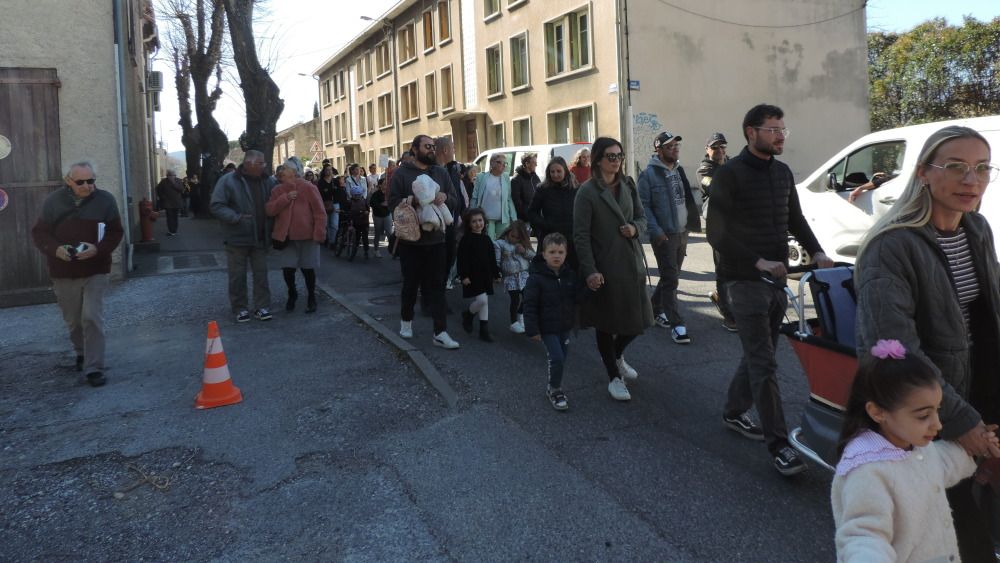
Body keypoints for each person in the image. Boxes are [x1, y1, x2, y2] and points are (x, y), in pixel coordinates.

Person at [854, 124, 1000, 561]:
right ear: (923, 173)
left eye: (981, 168)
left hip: (984, 392)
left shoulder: (976, 228)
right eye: (955, 167)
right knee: (953, 537)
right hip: (932, 416)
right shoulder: (892, 246)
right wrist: (962, 422)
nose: (971, 180)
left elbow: (989, 315)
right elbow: (893, 353)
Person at [707, 103, 833, 476]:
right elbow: (717, 233)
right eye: (773, 129)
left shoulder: (781, 173)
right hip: (743, 281)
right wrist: (756, 261)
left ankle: (733, 410)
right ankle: (779, 445)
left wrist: (819, 251)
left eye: (782, 129)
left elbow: (794, 218)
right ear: (751, 132)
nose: (780, 135)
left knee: (759, 353)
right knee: (764, 361)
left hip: (777, 281)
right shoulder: (729, 175)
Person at [831, 339, 985, 563]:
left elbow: (942, 463)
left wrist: (977, 447)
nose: (937, 424)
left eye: (937, 411)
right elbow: (864, 535)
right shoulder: (868, 471)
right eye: (923, 416)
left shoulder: (911, 445)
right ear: (877, 412)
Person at [30, 160, 124, 387]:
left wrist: (97, 249)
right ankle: (81, 351)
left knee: (91, 316)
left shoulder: (106, 201)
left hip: (95, 269)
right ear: (68, 181)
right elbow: (40, 233)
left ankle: (94, 368)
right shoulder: (53, 202)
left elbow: (115, 232)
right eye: (81, 182)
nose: (87, 186)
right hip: (63, 271)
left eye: (91, 181)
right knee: (73, 320)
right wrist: (55, 250)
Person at [574, 136, 653, 402]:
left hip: (630, 263)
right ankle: (613, 376)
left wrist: (634, 229)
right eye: (610, 156)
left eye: (619, 155)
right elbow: (581, 236)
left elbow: (642, 218)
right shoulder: (587, 192)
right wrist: (590, 270)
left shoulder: (628, 185)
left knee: (638, 320)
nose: (616, 160)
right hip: (604, 265)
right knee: (606, 323)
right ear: (597, 160)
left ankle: (617, 355)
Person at [388, 134, 461, 349]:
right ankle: (406, 322)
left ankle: (440, 332)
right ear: (414, 149)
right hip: (411, 242)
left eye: (433, 146)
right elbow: (392, 203)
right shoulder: (402, 174)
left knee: (437, 287)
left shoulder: (440, 172)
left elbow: (456, 200)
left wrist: (445, 198)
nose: (432, 149)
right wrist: (415, 201)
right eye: (427, 146)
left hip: (437, 241)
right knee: (410, 284)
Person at [637, 131, 702, 345]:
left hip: (683, 232)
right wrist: (656, 231)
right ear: (659, 149)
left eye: (676, 146)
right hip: (665, 235)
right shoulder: (648, 175)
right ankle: (677, 324)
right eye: (669, 146)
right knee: (672, 278)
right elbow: (643, 206)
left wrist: (691, 225)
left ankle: (655, 309)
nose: (674, 149)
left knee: (668, 276)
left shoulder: (678, 169)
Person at [210, 150, 276, 323]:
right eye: (261, 163)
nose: (265, 166)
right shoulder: (228, 181)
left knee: (261, 274)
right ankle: (240, 308)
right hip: (237, 238)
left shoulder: (268, 181)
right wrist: (236, 218)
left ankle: (262, 307)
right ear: (249, 164)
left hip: (261, 237)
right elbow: (216, 205)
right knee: (237, 276)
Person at [523, 233, 580, 411]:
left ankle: (554, 385)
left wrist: (592, 288)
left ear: (566, 254)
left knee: (561, 358)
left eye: (560, 252)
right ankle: (555, 389)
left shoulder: (569, 275)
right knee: (557, 358)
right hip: (547, 327)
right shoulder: (536, 278)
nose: (556, 255)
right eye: (552, 251)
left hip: (564, 326)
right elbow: (529, 304)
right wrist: (532, 329)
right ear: (544, 254)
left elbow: (576, 297)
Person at [265, 157, 326, 313]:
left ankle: (311, 296)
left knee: (308, 269)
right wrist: (285, 198)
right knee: (288, 269)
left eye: (285, 167)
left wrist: (319, 232)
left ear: (293, 171)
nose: (281, 169)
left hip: (308, 236)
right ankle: (292, 293)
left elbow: (320, 212)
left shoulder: (308, 187)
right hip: (287, 238)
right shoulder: (277, 190)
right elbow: (270, 210)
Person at [698, 133, 737, 332]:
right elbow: (716, 188)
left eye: (723, 146)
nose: (720, 150)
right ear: (708, 150)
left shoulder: (731, 164)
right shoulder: (705, 169)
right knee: (723, 270)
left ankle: (722, 298)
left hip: (735, 226)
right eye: (715, 147)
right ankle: (728, 314)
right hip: (718, 227)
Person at [526, 156, 578, 270]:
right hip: (550, 237)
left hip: (571, 238)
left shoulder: (575, 189)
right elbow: (531, 212)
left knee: (572, 273)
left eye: (558, 171)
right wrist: (545, 225)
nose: (555, 174)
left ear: (565, 171)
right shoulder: (543, 189)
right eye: (552, 172)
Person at [458, 208, 501, 342]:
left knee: (484, 301)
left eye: (480, 220)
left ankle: (484, 331)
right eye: (474, 221)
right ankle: (468, 315)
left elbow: (491, 258)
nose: (478, 224)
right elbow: (461, 259)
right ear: (469, 224)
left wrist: (496, 273)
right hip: (472, 276)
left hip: (485, 275)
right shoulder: (466, 240)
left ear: (484, 222)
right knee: (482, 300)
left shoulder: (487, 239)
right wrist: (463, 275)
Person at [436, 136, 468, 292]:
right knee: (440, 262)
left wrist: (460, 213)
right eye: (453, 148)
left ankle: (440, 295)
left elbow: (456, 195)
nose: (455, 151)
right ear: (445, 150)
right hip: (439, 225)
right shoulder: (435, 171)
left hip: (452, 221)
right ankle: (434, 301)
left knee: (450, 257)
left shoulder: (452, 170)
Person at [494, 220, 535, 334]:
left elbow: (533, 255)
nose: (514, 239)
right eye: (512, 236)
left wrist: (524, 251)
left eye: (517, 238)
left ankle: (520, 315)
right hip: (510, 276)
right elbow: (496, 260)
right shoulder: (500, 244)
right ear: (508, 232)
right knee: (515, 299)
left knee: (528, 297)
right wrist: (497, 272)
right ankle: (513, 322)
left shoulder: (523, 245)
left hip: (523, 275)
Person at [471, 153, 517, 238]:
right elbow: (475, 197)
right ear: (492, 163)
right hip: (486, 217)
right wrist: (472, 214)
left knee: (501, 244)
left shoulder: (506, 177)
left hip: (503, 218)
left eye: (505, 163)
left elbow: (509, 198)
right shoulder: (481, 177)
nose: (503, 165)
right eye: (499, 162)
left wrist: (513, 217)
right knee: (489, 243)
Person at [511, 153, 541, 223]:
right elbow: (517, 202)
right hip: (524, 219)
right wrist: (526, 214)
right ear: (527, 164)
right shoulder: (516, 179)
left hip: (536, 216)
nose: (536, 165)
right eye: (534, 163)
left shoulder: (534, 176)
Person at [156, 170, 184, 236]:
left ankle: (174, 230)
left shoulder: (178, 180)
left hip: (176, 202)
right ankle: (171, 231)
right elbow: (158, 189)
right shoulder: (163, 182)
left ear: (175, 175)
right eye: (170, 175)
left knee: (175, 216)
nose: (172, 177)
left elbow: (181, 189)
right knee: (169, 217)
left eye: (173, 175)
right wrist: (162, 197)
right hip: (167, 202)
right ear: (167, 176)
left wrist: (174, 184)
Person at [347, 180, 371, 260]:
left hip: (363, 222)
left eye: (358, 195)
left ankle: (366, 251)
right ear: (352, 195)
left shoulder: (364, 201)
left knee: (365, 238)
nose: (357, 196)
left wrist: (366, 212)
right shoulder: (350, 202)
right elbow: (347, 210)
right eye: (355, 195)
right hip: (354, 222)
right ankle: (354, 250)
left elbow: (368, 210)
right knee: (356, 238)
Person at [369, 177, 392, 257]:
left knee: (389, 233)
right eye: (384, 184)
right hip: (378, 216)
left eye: (386, 184)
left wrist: (388, 204)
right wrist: (381, 204)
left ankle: (393, 250)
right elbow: (372, 204)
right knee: (378, 233)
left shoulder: (389, 194)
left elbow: (392, 202)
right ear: (380, 185)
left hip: (387, 215)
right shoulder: (376, 194)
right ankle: (376, 250)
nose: (386, 185)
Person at [316, 167, 336, 246]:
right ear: (324, 172)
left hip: (334, 204)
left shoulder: (334, 181)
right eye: (327, 170)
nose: (329, 171)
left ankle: (332, 241)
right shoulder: (320, 182)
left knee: (334, 224)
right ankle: (326, 238)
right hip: (323, 204)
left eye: (330, 170)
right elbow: (318, 194)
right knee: (326, 223)